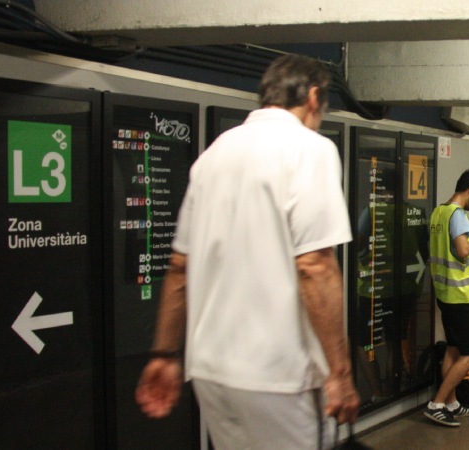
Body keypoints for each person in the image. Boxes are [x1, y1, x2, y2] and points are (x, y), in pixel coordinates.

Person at [134, 54, 359, 449]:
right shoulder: (310, 149)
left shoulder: (214, 155)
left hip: (211, 375)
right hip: (279, 376)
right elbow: (314, 267)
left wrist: (164, 354)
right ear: (313, 97)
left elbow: (180, 267)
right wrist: (339, 372)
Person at [424, 168, 469, 427]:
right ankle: (437, 403)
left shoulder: (438, 212)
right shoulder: (458, 216)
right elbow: (463, 250)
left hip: (446, 293)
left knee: (453, 351)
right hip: (462, 296)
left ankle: (452, 403)